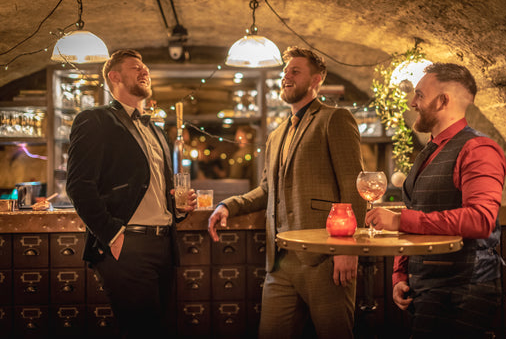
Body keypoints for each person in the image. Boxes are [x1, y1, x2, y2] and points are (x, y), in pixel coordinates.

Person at [208, 46, 366, 339]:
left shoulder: (335, 119)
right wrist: (228, 205)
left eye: (295, 71)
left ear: (316, 79)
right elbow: (268, 190)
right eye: (284, 72)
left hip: (325, 257)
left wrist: (347, 249)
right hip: (279, 261)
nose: (286, 77)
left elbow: (352, 186)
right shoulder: (277, 134)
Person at [365, 63, 506, 338]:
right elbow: (416, 211)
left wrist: (398, 220)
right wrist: (401, 275)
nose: (413, 102)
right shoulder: (429, 150)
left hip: (464, 289)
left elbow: (480, 220)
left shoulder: (479, 149)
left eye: (419, 94)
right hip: (426, 286)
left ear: (443, 100)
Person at [66, 49, 196, 338]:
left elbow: (157, 190)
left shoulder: (156, 130)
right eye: (136, 67)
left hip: (164, 245)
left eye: (145, 67)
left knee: (161, 329)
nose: (144, 71)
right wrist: (113, 234)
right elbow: (78, 185)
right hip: (126, 246)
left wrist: (178, 208)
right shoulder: (94, 119)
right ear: (115, 76)